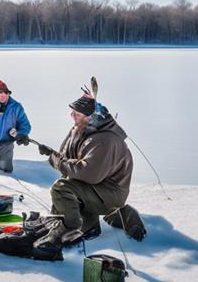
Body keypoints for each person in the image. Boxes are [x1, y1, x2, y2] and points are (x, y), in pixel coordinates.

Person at [34, 93, 134, 251]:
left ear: (91, 117)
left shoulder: (104, 140)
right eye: (73, 111)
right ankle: (88, 226)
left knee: (62, 187)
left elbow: (87, 173)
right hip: (97, 188)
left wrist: (57, 160)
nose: (72, 115)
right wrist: (51, 154)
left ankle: (71, 229)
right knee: (69, 182)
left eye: (77, 113)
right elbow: (67, 158)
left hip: (111, 194)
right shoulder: (82, 130)